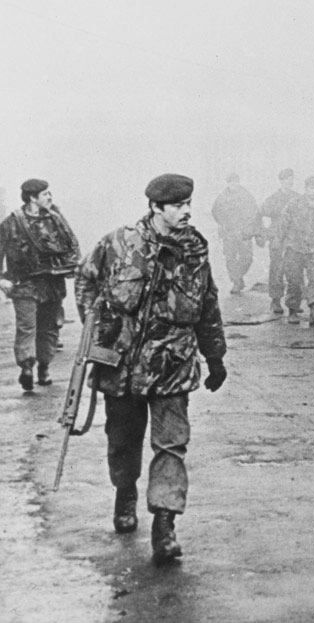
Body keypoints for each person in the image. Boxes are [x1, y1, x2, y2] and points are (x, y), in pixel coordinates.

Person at [76, 173, 229, 563]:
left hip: (173, 364)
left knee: (171, 445)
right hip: (122, 365)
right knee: (122, 441)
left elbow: (206, 302)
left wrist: (215, 356)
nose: (187, 211)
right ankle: (125, 492)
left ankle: (165, 523)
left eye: (189, 203)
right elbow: (86, 280)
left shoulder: (195, 249)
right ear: (156, 207)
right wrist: (99, 329)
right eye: (178, 205)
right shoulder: (118, 243)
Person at [0, 179, 79, 391]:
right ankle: (27, 367)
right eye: (45, 194)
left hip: (52, 283)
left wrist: (70, 265)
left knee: (49, 327)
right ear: (33, 198)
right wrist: (1, 278)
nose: (50, 197)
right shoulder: (11, 222)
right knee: (27, 327)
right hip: (24, 282)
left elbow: (73, 245)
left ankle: (44, 366)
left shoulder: (56, 218)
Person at [270, 176, 314, 325]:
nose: (313, 191)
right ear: (305, 188)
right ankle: (293, 311)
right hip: (295, 248)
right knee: (294, 281)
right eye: (311, 188)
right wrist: (278, 242)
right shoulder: (294, 204)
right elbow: (283, 224)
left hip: (313, 248)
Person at [258, 169, 301, 316]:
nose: (290, 182)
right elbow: (261, 215)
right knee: (277, 268)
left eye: (292, 179)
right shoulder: (273, 199)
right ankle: (275, 300)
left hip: (294, 239)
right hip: (278, 239)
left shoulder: (298, 198)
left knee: (295, 270)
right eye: (287, 179)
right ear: (281, 181)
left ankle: (294, 302)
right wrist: (265, 234)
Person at [208, 174, 257, 294]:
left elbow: (254, 212)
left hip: (243, 233)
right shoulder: (222, 197)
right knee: (230, 258)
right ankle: (236, 282)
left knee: (247, 258)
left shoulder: (246, 196)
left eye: (235, 182)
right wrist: (222, 223)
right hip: (228, 233)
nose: (233, 184)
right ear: (228, 183)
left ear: (239, 182)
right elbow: (215, 211)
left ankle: (237, 277)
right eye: (231, 182)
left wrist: (249, 227)